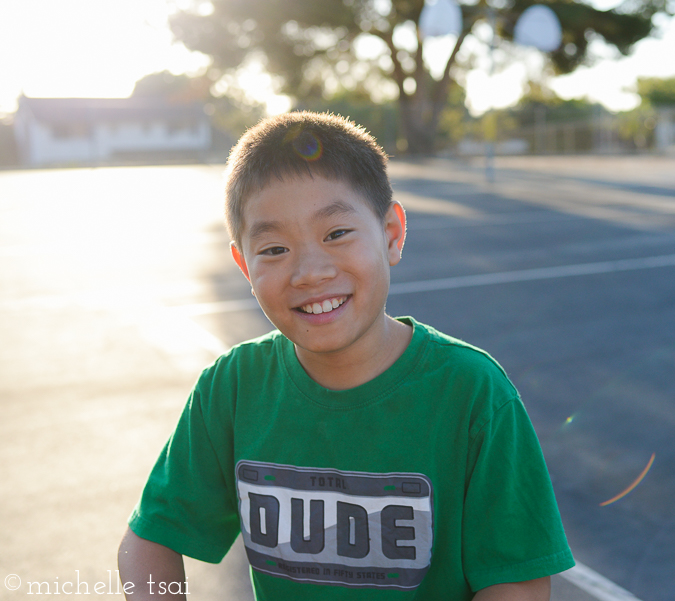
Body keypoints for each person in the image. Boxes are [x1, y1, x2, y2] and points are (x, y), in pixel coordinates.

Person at [118, 111, 574, 600]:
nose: (310, 272)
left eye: (336, 234)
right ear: (244, 266)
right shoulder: (231, 388)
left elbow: (518, 583)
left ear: (392, 234)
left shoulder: (471, 392)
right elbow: (149, 540)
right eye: (273, 249)